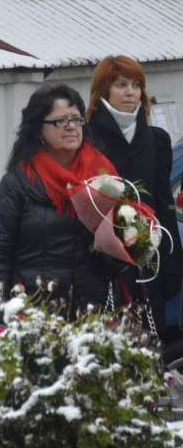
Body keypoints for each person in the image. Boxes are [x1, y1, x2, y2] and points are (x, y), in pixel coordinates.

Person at [0, 83, 120, 314]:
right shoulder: (20, 181)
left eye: (76, 119)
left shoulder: (103, 176)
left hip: (94, 314)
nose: (71, 127)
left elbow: (120, 246)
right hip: (35, 313)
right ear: (37, 129)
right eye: (60, 121)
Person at [86, 55, 183, 337]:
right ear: (104, 90)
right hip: (102, 266)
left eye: (136, 85)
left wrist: (172, 264)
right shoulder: (87, 138)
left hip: (149, 263)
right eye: (120, 84)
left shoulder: (155, 140)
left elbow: (164, 204)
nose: (130, 92)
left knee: (150, 349)